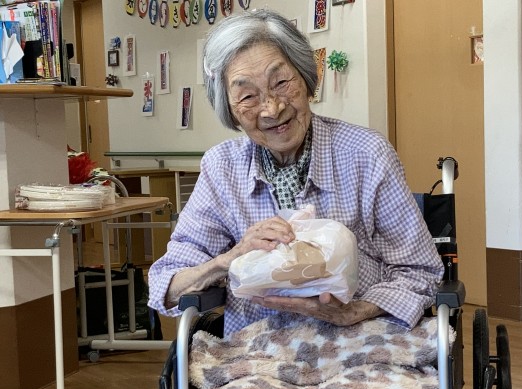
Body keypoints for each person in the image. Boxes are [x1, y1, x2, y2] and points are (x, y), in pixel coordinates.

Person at [148, 9, 444, 336]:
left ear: (305, 78)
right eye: (248, 96)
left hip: (360, 343)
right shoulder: (222, 168)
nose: (272, 108)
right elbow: (166, 285)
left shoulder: (366, 154)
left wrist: (353, 312)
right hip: (257, 350)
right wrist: (230, 258)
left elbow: (421, 271)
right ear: (230, 109)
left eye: (281, 83)